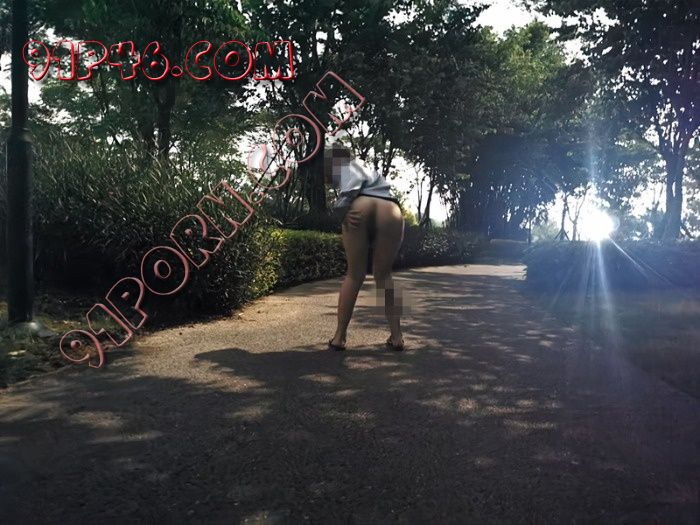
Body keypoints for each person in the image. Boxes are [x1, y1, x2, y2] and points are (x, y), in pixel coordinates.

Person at [324, 143, 406, 351]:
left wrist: (339, 212)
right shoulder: (367, 168)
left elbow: (349, 190)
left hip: (360, 206)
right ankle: (397, 337)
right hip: (390, 208)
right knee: (384, 276)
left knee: (354, 275)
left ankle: (339, 337)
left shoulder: (347, 167)